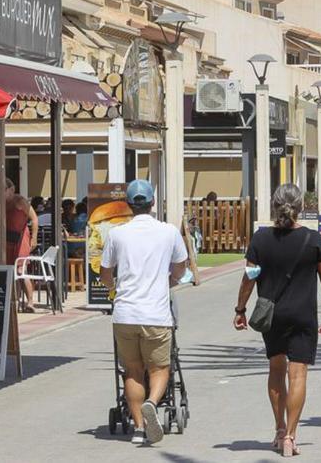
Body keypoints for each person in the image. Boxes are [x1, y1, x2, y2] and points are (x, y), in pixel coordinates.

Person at [234, 184, 321, 457]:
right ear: (300, 206)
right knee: (298, 373)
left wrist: (240, 309)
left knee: (276, 369)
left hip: (273, 316)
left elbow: (249, 278)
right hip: (303, 315)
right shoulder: (313, 239)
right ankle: (292, 435)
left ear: (273, 205)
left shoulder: (260, 240)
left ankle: (279, 429)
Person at [100, 179, 187, 446]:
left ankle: (138, 427)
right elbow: (180, 268)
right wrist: (169, 281)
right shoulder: (168, 232)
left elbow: (105, 273)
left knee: (132, 371)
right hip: (156, 313)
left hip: (125, 314)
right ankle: (152, 401)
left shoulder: (116, 234)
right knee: (160, 367)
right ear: (152, 204)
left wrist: (114, 286)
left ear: (128, 205)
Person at [5, 180, 39, 311]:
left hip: (21, 238)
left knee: (21, 270)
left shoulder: (20, 201)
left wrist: (34, 238)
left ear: (11, 189)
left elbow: (34, 218)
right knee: (9, 269)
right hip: (6, 238)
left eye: (4, 189)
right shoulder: (0, 202)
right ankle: (15, 300)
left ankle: (30, 302)